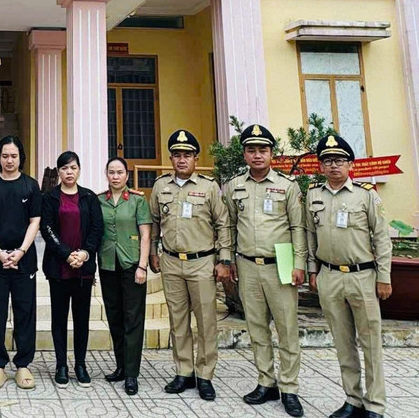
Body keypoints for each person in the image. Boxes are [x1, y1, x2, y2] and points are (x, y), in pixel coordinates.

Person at [305, 134, 392, 418]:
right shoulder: (314, 195)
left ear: (350, 164)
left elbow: (382, 238)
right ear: (320, 166)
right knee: (343, 343)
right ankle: (352, 400)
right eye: (328, 160)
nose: (334, 165)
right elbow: (309, 235)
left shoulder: (366, 195)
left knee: (370, 343)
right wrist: (312, 270)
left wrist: (384, 277)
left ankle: (375, 404)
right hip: (329, 275)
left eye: (340, 160)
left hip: (362, 277)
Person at [223, 124, 306, 417]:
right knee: (257, 328)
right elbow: (229, 225)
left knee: (287, 329)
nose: (257, 155)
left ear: (272, 153)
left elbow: (298, 227)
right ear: (244, 154)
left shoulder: (287, 186)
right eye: (251, 150)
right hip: (247, 265)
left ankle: (290, 388)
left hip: (280, 264)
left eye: (262, 150)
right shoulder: (234, 186)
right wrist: (229, 259)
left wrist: (299, 264)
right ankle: (266, 381)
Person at [149, 129, 231, 401]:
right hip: (172, 262)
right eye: (176, 155)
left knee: (206, 321)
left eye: (187, 155)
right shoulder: (161, 186)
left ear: (196, 158)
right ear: (171, 158)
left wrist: (224, 259)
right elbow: (154, 222)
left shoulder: (209, 187)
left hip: (202, 263)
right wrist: (153, 252)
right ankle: (183, 371)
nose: (181, 159)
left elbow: (223, 224)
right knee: (178, 320)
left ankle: (205, 375)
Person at [0, 135, 42, 390]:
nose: (9, 160)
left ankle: (23, 364)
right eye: (5, 156)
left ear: (20, 158)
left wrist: (21, 251)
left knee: (25, 312)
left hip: (24, 260)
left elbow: (35, 221)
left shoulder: (30, 185)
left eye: (14, 156)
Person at [40, 151, 103, 388]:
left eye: (73, 168)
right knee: (59, 318)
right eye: (65, 168)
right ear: (59, 172)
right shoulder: (50, 198)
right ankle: (61, 365)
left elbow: (97, 229)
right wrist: (66, 254)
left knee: (81, 319)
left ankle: (80, 364)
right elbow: (47, 229)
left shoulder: (89, 197)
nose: (69, 172)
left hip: (83, 269)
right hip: (58, 268)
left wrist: (84, 253)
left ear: (79, 170)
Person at [98, 156, 152, 396]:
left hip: (132, 265)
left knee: (133, 318)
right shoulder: (100, 200)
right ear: (106, 175)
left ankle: (132, 373)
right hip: (108, 264)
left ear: (127, 175)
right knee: (114, 316)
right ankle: (120, 366)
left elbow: (146, 235)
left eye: (119, 172)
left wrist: (143, 266)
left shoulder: (138, 200)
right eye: (111, 172)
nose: (115, 176)